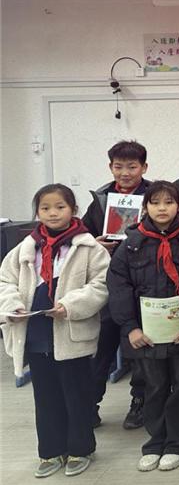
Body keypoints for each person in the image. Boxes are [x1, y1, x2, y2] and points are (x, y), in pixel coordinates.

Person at [0, 184, 109, 478]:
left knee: (76, 395)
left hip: (71, 333)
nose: (52, 213)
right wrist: (12, 304)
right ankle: (49, 451)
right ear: (37, 212)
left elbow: (100, 285)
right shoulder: (25, 248)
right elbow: (5, 281)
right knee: (45, 396)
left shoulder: (90, 248)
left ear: (74, 210)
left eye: (60, 207)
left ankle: (81, 448)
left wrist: (70, 305)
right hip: (35, 332)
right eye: (45, 208)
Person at [106, 181, 179, 472]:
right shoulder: (131, 243)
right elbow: (118, 287)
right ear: (145, 207)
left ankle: (178, 443)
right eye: (155, 203)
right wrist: (130, 327)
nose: (162, 208)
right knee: (155, 386)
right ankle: (155, 442)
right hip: (146, 331)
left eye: (169, 202)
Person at [83, 140, 149, 430]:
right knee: (102, 345)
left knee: (142, 347)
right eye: (119, 167)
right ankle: (89, 405)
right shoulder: (100, 200)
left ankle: (140, 402)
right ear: (110, 167)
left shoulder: (155, 195)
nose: (125, 173)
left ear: (144, 167)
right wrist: (93, 244)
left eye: (132, 167)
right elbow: (82, 235)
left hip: (146, 281)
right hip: (109, 281)